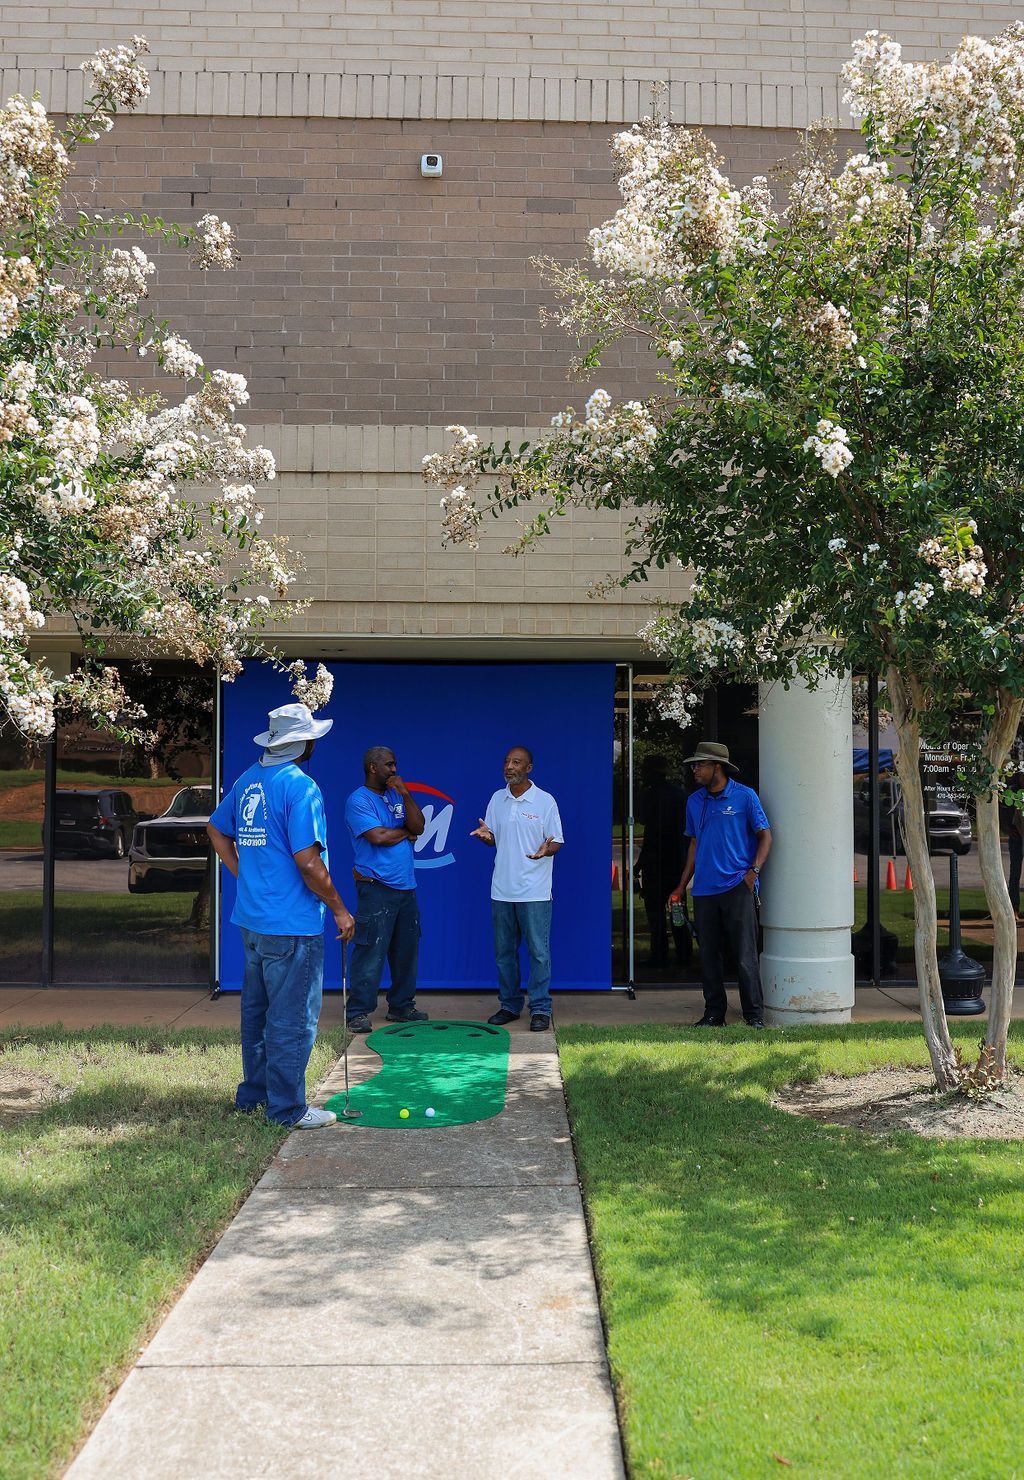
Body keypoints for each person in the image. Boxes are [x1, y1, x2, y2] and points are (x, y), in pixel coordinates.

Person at [207, 701, 355, 1129]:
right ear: (300, 744)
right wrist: (341, 910)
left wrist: (244, 873)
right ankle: (288, 1109)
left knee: (257, 1015)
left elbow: (216, 830)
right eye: (310, 737)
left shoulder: (248, 778)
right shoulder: (300, 786)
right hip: (291, 926)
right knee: (292, 1020)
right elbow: (309, 863)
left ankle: (253, 1097)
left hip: (252, 920)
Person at [673, 740, 772, 1028]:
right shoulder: (694, 801)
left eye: (700, 764)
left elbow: (765, 835)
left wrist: (753, 872)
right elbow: (694, 843)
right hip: (703, 890)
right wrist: (682, 886)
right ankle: (714, 1013)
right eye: (694, 765)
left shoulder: (744, 796)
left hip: (737, 887)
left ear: (717, 767)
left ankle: (753, 1015)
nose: (695, 770)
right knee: (708, 956)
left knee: (744, 956)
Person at [471, 746, 563, 1031]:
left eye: (516, 762)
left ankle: (540, 1008)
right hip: (502, 890)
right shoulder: (497, 799)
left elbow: (557, 840)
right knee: (504, 954)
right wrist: (486, 837)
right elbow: (493, 838)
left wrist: (546, 851)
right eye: (507, 762)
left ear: (529, 768)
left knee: (538, 952)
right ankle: (510, 1005)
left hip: (535, 891)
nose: (509, 767)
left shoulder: (544, 801)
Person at [344, 746, 428, 1032]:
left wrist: (405, 793)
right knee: (370, 951)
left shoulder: (396, 795)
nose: (394, 770)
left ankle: (402, 1007)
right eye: (389, 765)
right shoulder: (359, 800)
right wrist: (406, 833)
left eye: (395, 764)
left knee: (407, 950)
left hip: (406, 887)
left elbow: (420, 826)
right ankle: (357, 1011)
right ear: (372, 767)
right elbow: (378, 836)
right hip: (376, 887)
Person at [635, 753, 690, 968]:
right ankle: (682, 953)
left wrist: (641, 863)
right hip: (675, 862)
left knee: (657, 913)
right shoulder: (679, 795)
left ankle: (661, 955)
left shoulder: (653, 797)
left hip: (660, 863)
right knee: (677, 910)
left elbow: (651, 833)